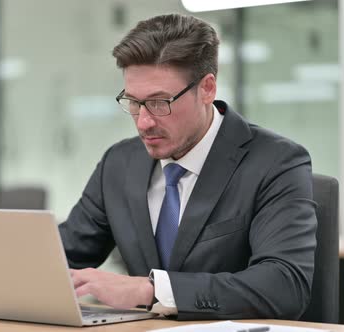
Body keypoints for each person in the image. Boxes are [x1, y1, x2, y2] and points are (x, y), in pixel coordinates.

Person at [58, 13, 317, 320]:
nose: (143, 121)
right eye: (133, 102)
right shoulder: (119, 164)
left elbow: (284, 286)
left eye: (159, 103)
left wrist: (150, 290)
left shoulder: (275, 162)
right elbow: (59, 257)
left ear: (207, 89)